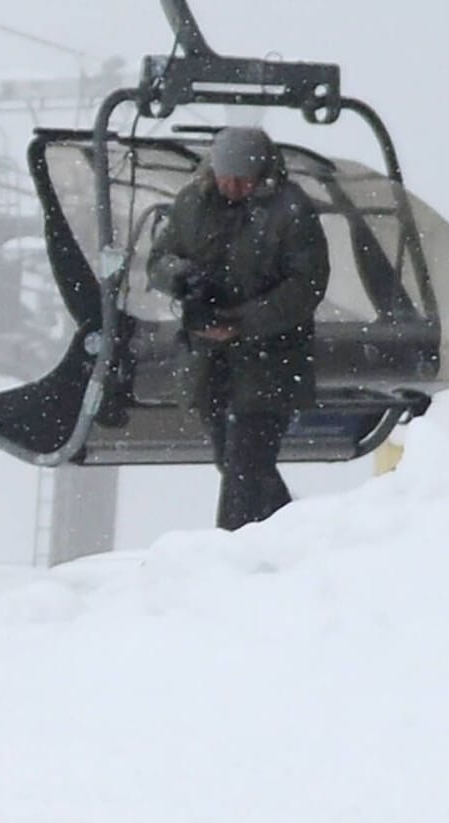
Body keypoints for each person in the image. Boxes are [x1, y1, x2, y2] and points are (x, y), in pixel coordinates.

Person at [147, 126, 329, 530]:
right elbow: (159, 259)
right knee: (233, 460)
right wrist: (182, 279)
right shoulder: (193, 204)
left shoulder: (290, 212)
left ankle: (229, 552)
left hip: (270, 362)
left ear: (262, 173)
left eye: (243, 179)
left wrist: (244, 322)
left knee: (244, 467)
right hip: (211, 362)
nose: (233, 187)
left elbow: (306, 285)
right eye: (226, 177)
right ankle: (294, 533)